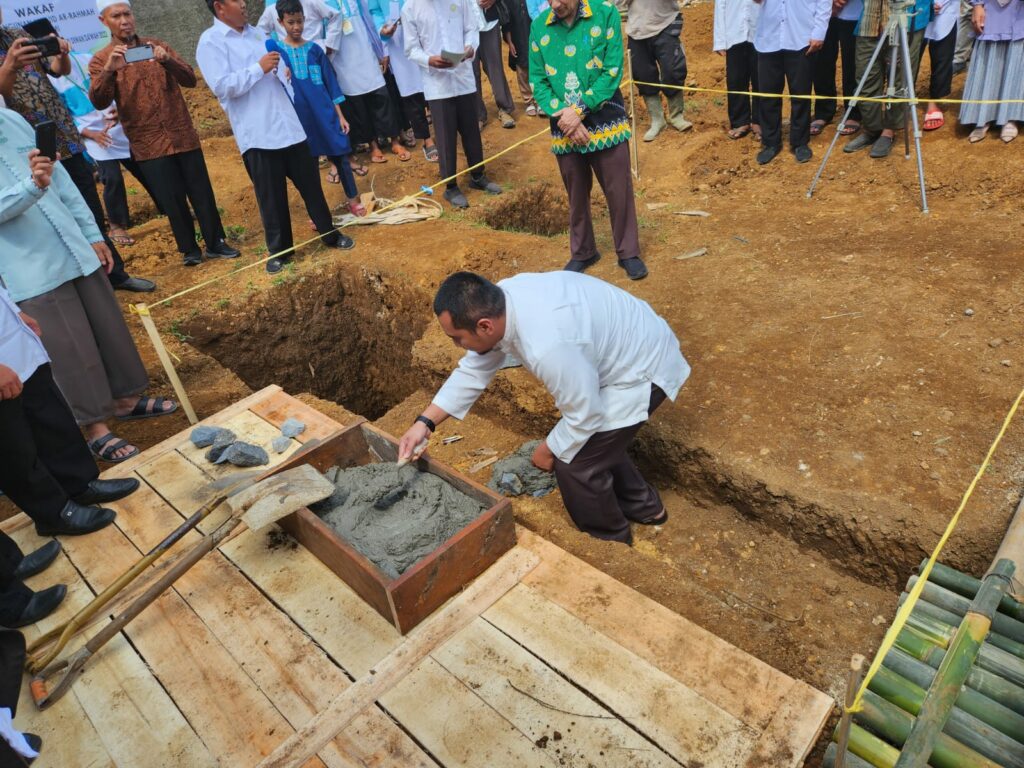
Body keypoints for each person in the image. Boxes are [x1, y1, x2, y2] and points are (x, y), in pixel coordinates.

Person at [398, 271, 690, 545]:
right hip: (622, 343)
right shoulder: (503, 301)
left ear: (484, 326)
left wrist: (549, 448)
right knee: (598, 440)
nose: (458, 345)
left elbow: (585, 415)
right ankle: (646, 508)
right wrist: (425, 422)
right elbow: (474, 369)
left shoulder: (548, 346)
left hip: (643, 367)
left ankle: (609, 541)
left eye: (457, 338)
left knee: (574, 463)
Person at [0, 110, 179, 461]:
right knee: (70, 349)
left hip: (74, 247)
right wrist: (31, 187)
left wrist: (92, 234)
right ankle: (95, 427)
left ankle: (126, 400)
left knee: (107, 327)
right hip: (31, 266)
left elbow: (60, 178)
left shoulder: (10, 118)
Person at [197, 0, 354, 275]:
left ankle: (329, 234)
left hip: (290, 126)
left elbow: (280, 69)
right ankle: (280, 251)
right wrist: (259, 68)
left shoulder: (260, 35)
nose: (244, 4)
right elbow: (223, 86)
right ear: (220, 6)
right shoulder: (210, 42)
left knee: (311, 187)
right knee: (271, 197)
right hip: (258, 133)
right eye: (237, 0)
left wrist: (284, 73)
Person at [0, 16, 155, 293]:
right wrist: (9, 65)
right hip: (26, 150)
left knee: (89, 210)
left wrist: (61, 54)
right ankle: (82, 284)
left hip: (63, 137)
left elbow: (57, 71)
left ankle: (114, 275)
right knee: (49, 216)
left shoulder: (17, 33)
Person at [91, 0, 240, 268]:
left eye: (127, 14)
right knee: (172, 200)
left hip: (181, 133)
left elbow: (190, 79)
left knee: (201, 192)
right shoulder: (101, 60)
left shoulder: (156, 45)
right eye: (117, 16)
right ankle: (189, 249)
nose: (125, 20)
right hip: (148, 144)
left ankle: (216, 242)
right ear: (104, 21)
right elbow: (99, 101)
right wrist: (109, 71)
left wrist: (167, 59)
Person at [529, 0, 647, 279]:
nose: (555, 4)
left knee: (618, 190)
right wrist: (567, 119)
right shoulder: (538, 27)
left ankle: (628, 252)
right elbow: (537, 81)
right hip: (564, 125)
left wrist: (579, 111)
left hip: (606, 119)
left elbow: (612, 71)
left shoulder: (605, 15)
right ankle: (583, 251)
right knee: (576, 193)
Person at [48, 49, 161, 246]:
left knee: (146, 169)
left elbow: (117, 85)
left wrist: (120, 109)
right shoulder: (49, 78)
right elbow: (63, 114)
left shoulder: (89, 58)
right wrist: (91, 134)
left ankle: (168, 207)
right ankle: (117, 225)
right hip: (94, 137)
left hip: (119, 127)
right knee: (112, 178)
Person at [269, 0, 367, 216]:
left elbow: (330, 84)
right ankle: (317, 213)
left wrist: (340, 116)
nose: (297, 27)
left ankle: (354, 200)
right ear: (280, 22)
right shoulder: (276, 51)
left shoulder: (315, 50)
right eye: (291, 22)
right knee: (308, 166)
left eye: (300, 21)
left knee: (341, 153)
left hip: (325, 114)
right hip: (299, 118)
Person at [404, 0, 504, 208]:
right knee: (445, 136)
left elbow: (471, 29)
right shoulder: (410, 8)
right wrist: (430, 60)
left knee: (471, 131)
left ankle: (477, 176)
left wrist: (469, 49)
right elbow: (411, 49)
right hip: (437, 83)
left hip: (463, 76)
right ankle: (450, 187)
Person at [843, 0, 931, 158]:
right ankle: (872, 128)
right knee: (865, 76)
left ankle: (889, 131)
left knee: (900, 79)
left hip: (906, 20)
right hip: (870, 20)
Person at [326, 0, 410, 164]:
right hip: (342, 59)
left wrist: (382, 49)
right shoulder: (321, 3)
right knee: (358, 105)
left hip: (366, 52)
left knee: (381, 96)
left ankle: (394, 141)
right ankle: (373, 146)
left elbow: (372, 21)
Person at [753, 0, 830, 165]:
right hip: (769, 38)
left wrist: (819, 32)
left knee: (800, 94)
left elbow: (824, 2)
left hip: (801, 37)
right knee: (768, 95)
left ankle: (800, 142)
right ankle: (770, 142)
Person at [367, 0, 439, 160]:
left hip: (423, 31)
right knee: (411, 91)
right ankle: (427, 140)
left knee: (434, 81)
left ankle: (443, 129)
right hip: (397, 41)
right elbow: (375, 11)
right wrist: (382, 29)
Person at [621, 0, 692, 142]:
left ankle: (676, 116)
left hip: (665, 22)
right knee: (643, 74)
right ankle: (657, 120)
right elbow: (619, 4)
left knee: (673, 70)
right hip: (637, 30)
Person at [958, 0, 1024, 143]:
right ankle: (981, 117)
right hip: (991, 8)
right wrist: (977, 5)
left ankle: (1010, 118)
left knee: (1017, 63)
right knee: (987, 58)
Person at [810, 0, 863, 136]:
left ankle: (853, 112)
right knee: (822, 63)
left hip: (854, 12)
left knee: (852, 63)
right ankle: (823, 111)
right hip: (822, 12)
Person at [714, 0, 762, 139]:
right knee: (736, 79)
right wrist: (720, 40)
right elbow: (720, 5)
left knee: (761, 79)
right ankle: (740, 121)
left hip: (761, 32)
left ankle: (760, 121)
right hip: (734, 32)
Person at [474, 0, 517, 129]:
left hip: (489, 24)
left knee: (495, 68)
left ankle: (505, 109)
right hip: (464, 27)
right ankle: (478, 115)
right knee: (471, 72)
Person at [922, 0, 958, 131]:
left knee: (942, 58)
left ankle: (934, 101)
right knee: (907, 56)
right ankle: (902, 100)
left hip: (945, 9)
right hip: (914, 8)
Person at [504, 0, 540, 116]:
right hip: (518, 37)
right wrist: (510, 42)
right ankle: (528, 100)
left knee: (539, 68)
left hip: (536, 35)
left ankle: (540, 101)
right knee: (522, 70)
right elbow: (506, 22)